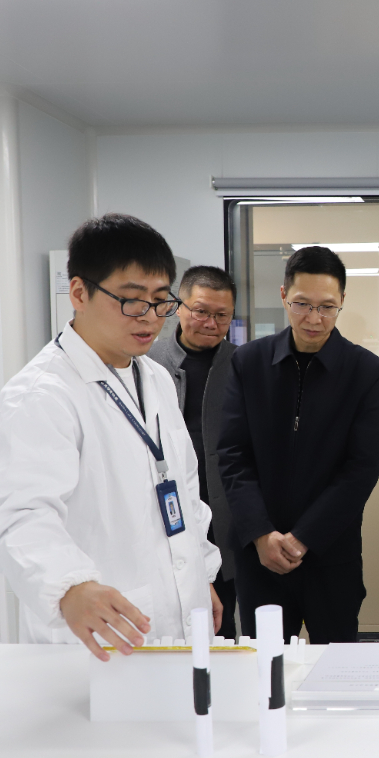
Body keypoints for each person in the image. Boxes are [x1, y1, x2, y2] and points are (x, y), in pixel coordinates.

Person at [0, 214, 222, 661]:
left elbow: (184, 488)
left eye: (161, 301)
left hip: (173, 613)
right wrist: (71, 586)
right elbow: (22, 517)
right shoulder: (42, 394)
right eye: (132, 301)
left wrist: (199, 574)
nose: (150, 318)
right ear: (79, 293)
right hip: (98, 633)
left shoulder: (154, 377)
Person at [218, 246, 379, 643]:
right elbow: (233, 455)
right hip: (260, 555)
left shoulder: (366, 371)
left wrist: (302, 538)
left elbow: (361, 469)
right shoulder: (249, 362)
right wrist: (262, 534)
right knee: (267, 668)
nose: (314, 318)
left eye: (327, 307)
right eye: (302, 304)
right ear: (283, 296)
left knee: (337, 665)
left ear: (342, 301)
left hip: (331, 553)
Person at [148, 265, 239, 639]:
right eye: (201, 311)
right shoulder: (148, 362)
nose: (211, 323)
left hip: (226, 513)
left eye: (222, 315)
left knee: (222, 619)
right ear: (179, 306)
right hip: (164, 507)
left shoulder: (242, 364)